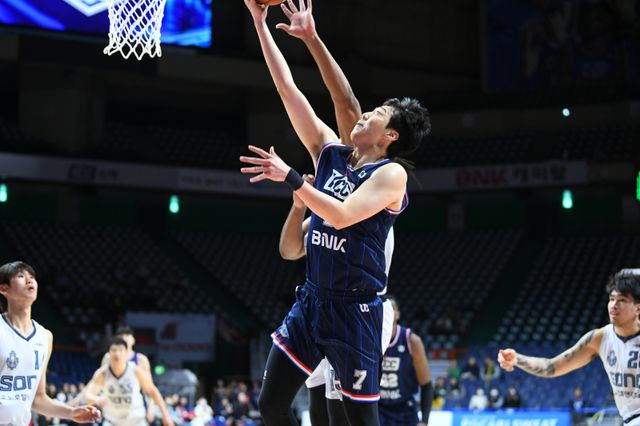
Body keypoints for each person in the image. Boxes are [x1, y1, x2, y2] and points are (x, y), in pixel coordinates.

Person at [241, 0, 431, 424]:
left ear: (390, 136)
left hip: (356, 312)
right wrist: (260, 23)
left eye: (376, 115)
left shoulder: (392, 174)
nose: (364, 115)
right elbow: (288, 89)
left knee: (355, 421)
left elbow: (343, 215)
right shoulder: (330, 153)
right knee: (270, 405)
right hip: (313, 300)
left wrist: (293, 178)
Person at [498, 269, 640, 424]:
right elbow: (551, 367)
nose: (614, 305)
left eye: (622, 300)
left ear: (638, 308)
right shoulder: (599, 338)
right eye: (612, 299)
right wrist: (517, 359)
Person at [0, 261, 101, 425]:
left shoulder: (45, 337)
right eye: (21, 276)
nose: (30, 280)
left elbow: (38, 398)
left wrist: (71, 413)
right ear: (4, 289)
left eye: (32, 277)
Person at [84, 337, 174, 426]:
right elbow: (88, 396)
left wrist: (166, 415)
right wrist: (97, 399)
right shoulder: (102, 373)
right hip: (112, 422)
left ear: (126, 353)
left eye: (120, 350)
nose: (117, 353)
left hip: (137, 422)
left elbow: (153, 392)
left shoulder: (136, 371)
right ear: (109, 353)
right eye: (114, 350)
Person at [378, 297, 433, 426]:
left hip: (405, 409)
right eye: (384, 309)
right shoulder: (370, 339)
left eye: (391, 308)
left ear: (397, 314)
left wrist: (424, 421)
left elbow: (427, 385)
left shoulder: (412, 341)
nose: (387, 311)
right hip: (378, 408)